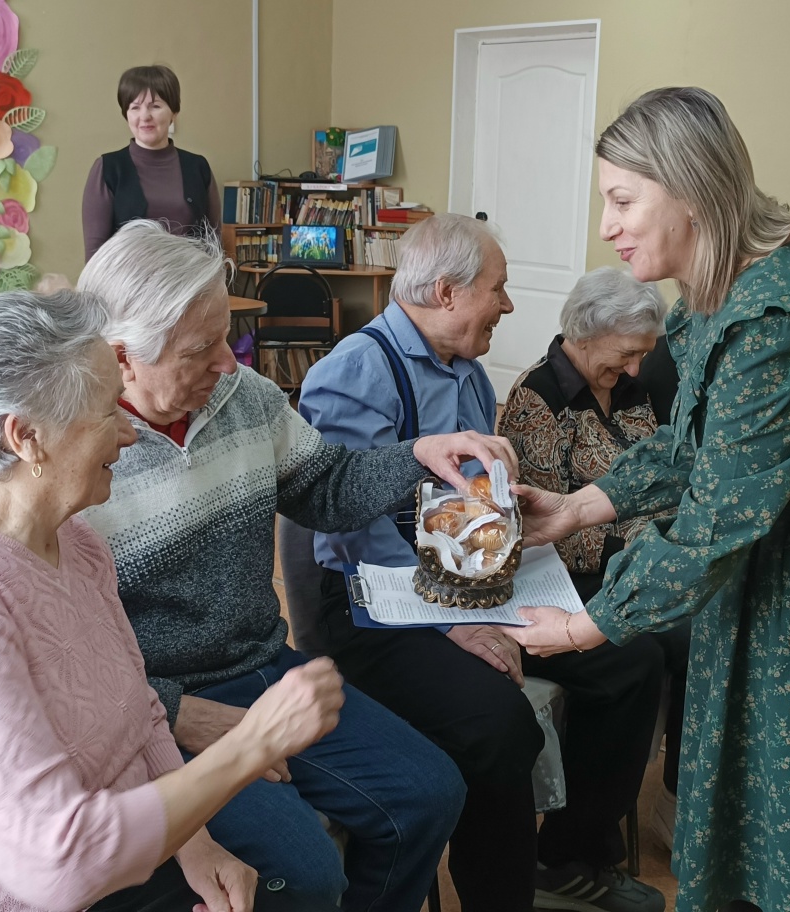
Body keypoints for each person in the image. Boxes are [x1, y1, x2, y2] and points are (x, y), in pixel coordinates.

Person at [507, 87, 790, 912]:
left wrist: (581, 627)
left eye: (622, 200)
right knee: (762, 831)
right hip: (787, 582)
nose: (608, 225)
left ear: (690, 188)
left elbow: (716, 520)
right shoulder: (723, 296)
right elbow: (692, 445)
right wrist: (577, 507)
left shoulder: (783, 317)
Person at [0, 291, 344, 912]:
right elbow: (60, 868)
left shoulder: (75, 543)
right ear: (26, 437)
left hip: (82, 869)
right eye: (108, 410)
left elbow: (138, 713)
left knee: (293, 884)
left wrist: (196, 845)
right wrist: (254, 745)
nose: (130, 432)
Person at [76, 219, 518, 912]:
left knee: (430, 795)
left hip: (263, 667)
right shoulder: (78, 454)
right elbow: (62, 657)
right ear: (121, 357)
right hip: (158, 707)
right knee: (304, 874)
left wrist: (418, 454)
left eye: (226, 337)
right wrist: (174, 711)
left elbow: (328, 487)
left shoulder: (246, 398)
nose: (228, 363)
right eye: (201, 348)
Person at [298, 215, 667, 912]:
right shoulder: (354, 371)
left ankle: (566, 855)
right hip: (377, 606)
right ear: (446, 292)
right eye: (498, 289)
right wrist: (453, 625)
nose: (509, 305)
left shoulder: (468, 373)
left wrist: (513, 541)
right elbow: (351, 527)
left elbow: (472, 503)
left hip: (470, 582)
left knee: (632, 660)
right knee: (500, 724)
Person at [497, 266, 690, 854]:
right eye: (627, 353)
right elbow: (542, 530)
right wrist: (646, 541)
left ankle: (680, 800)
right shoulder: (537, 400)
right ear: (584, 333)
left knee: (710, 631)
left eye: (643, 354)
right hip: (570, 575)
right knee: (649, 654)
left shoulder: (632, 391)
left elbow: (665, 481)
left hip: (643, 560)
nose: (635, 369)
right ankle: (580, 845)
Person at [82, 65, 222, 261]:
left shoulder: (198, 167)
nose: (145, 116)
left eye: (155, 106)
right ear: (126, 115)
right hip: (127, 280)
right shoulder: (108, 168)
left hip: (189, 278)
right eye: (135, 107)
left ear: (174, 112)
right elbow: (95, 255)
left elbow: (213, 244)